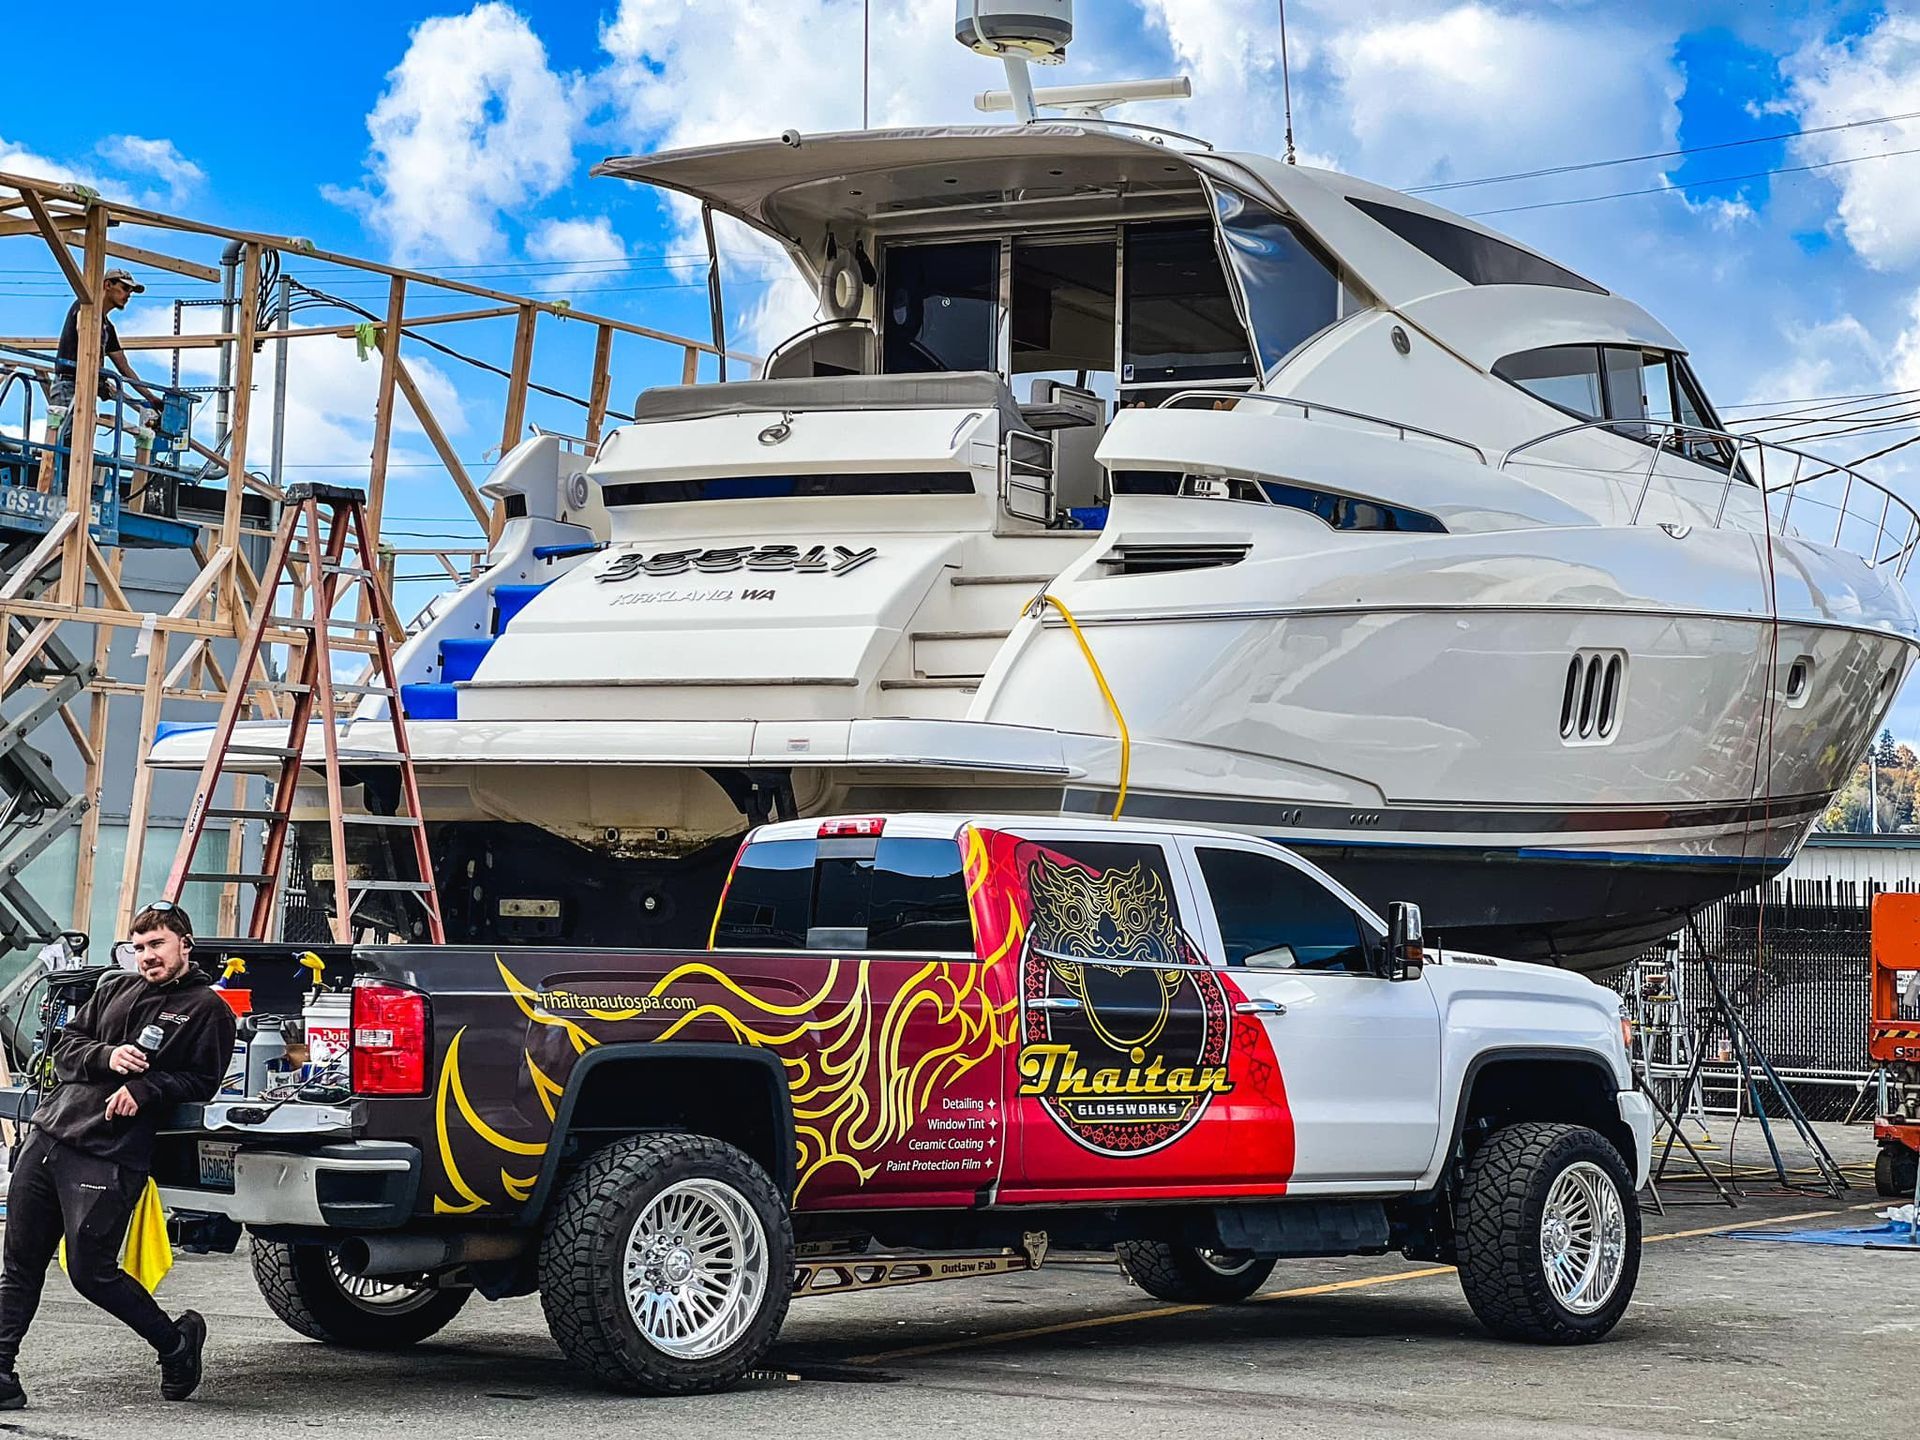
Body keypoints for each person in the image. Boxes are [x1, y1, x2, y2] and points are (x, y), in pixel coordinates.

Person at [0, 902, 237, 1409]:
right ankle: (0, 1374)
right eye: (139, 946)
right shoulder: (114, 986)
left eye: (157, 944)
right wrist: (105, 1056)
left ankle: (175, 1345)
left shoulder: (208, 1010)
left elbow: (203, 1083)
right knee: (19, 1266)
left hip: (110, 1153)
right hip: (50, 1136)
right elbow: (65, 1048)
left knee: (92, 1273)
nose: (147, 956)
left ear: (184, 945)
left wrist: (147, 1088)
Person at [48, 267, 147, 465]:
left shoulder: (107, 327)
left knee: (80, 443)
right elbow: (86, 343)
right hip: (70, 384)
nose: (128, 295)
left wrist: (150, 398)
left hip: (87, 387)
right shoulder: (84, 309)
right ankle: (62, 486)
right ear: (107, 285)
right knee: (67, 442)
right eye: (124, 288)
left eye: (131, 291)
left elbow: (123, 367)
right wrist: (98, 377)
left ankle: (70, 485)